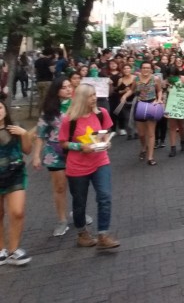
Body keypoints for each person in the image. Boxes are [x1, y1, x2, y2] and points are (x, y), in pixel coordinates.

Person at [58, 84, 119, 249]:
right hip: (77, 166)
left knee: (105, 196)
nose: (93, 99)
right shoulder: (69, 119)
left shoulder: (101, 114)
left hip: (100, 161)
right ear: (81, 98)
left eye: (94, 95)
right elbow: (63, 143)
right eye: (90, 96)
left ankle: (103, 234)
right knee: (79, 202)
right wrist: (79, 147)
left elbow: (105, 133)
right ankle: (82, 233)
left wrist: (107, 142)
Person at [32, 79, 75, 237]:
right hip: (54, 153)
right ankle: (62, 219)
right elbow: (40, 134)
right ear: (56, 90)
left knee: (78, 186)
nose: (68, 90)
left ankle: (78, 212)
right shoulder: (50, 110)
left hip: (75, 150)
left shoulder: (78, 105)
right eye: (64, 88)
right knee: (59, 187)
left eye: (70, 86)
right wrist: (36, 155)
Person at [0, 99, 34, 265]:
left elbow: (27, 150)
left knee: (17, 211)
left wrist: (24, 134)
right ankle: (1, 250)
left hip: (15, 174)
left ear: (5, 110)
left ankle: (14, 250)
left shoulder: (14, 128)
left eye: (0, 107)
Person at [130, 61, 163, 166]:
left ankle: (150, 157)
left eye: (148, 68)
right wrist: (125, 96)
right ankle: (144, 147)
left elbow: (159, 90)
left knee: (151, 133)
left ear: (151, 69)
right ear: (140, 69)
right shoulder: (136, 79)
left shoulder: (156, 79)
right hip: (140, 105)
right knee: (141, 134)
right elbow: (132, 90)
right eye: (144, 68)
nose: (145, 69)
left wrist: (159, 99)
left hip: (151, 104)